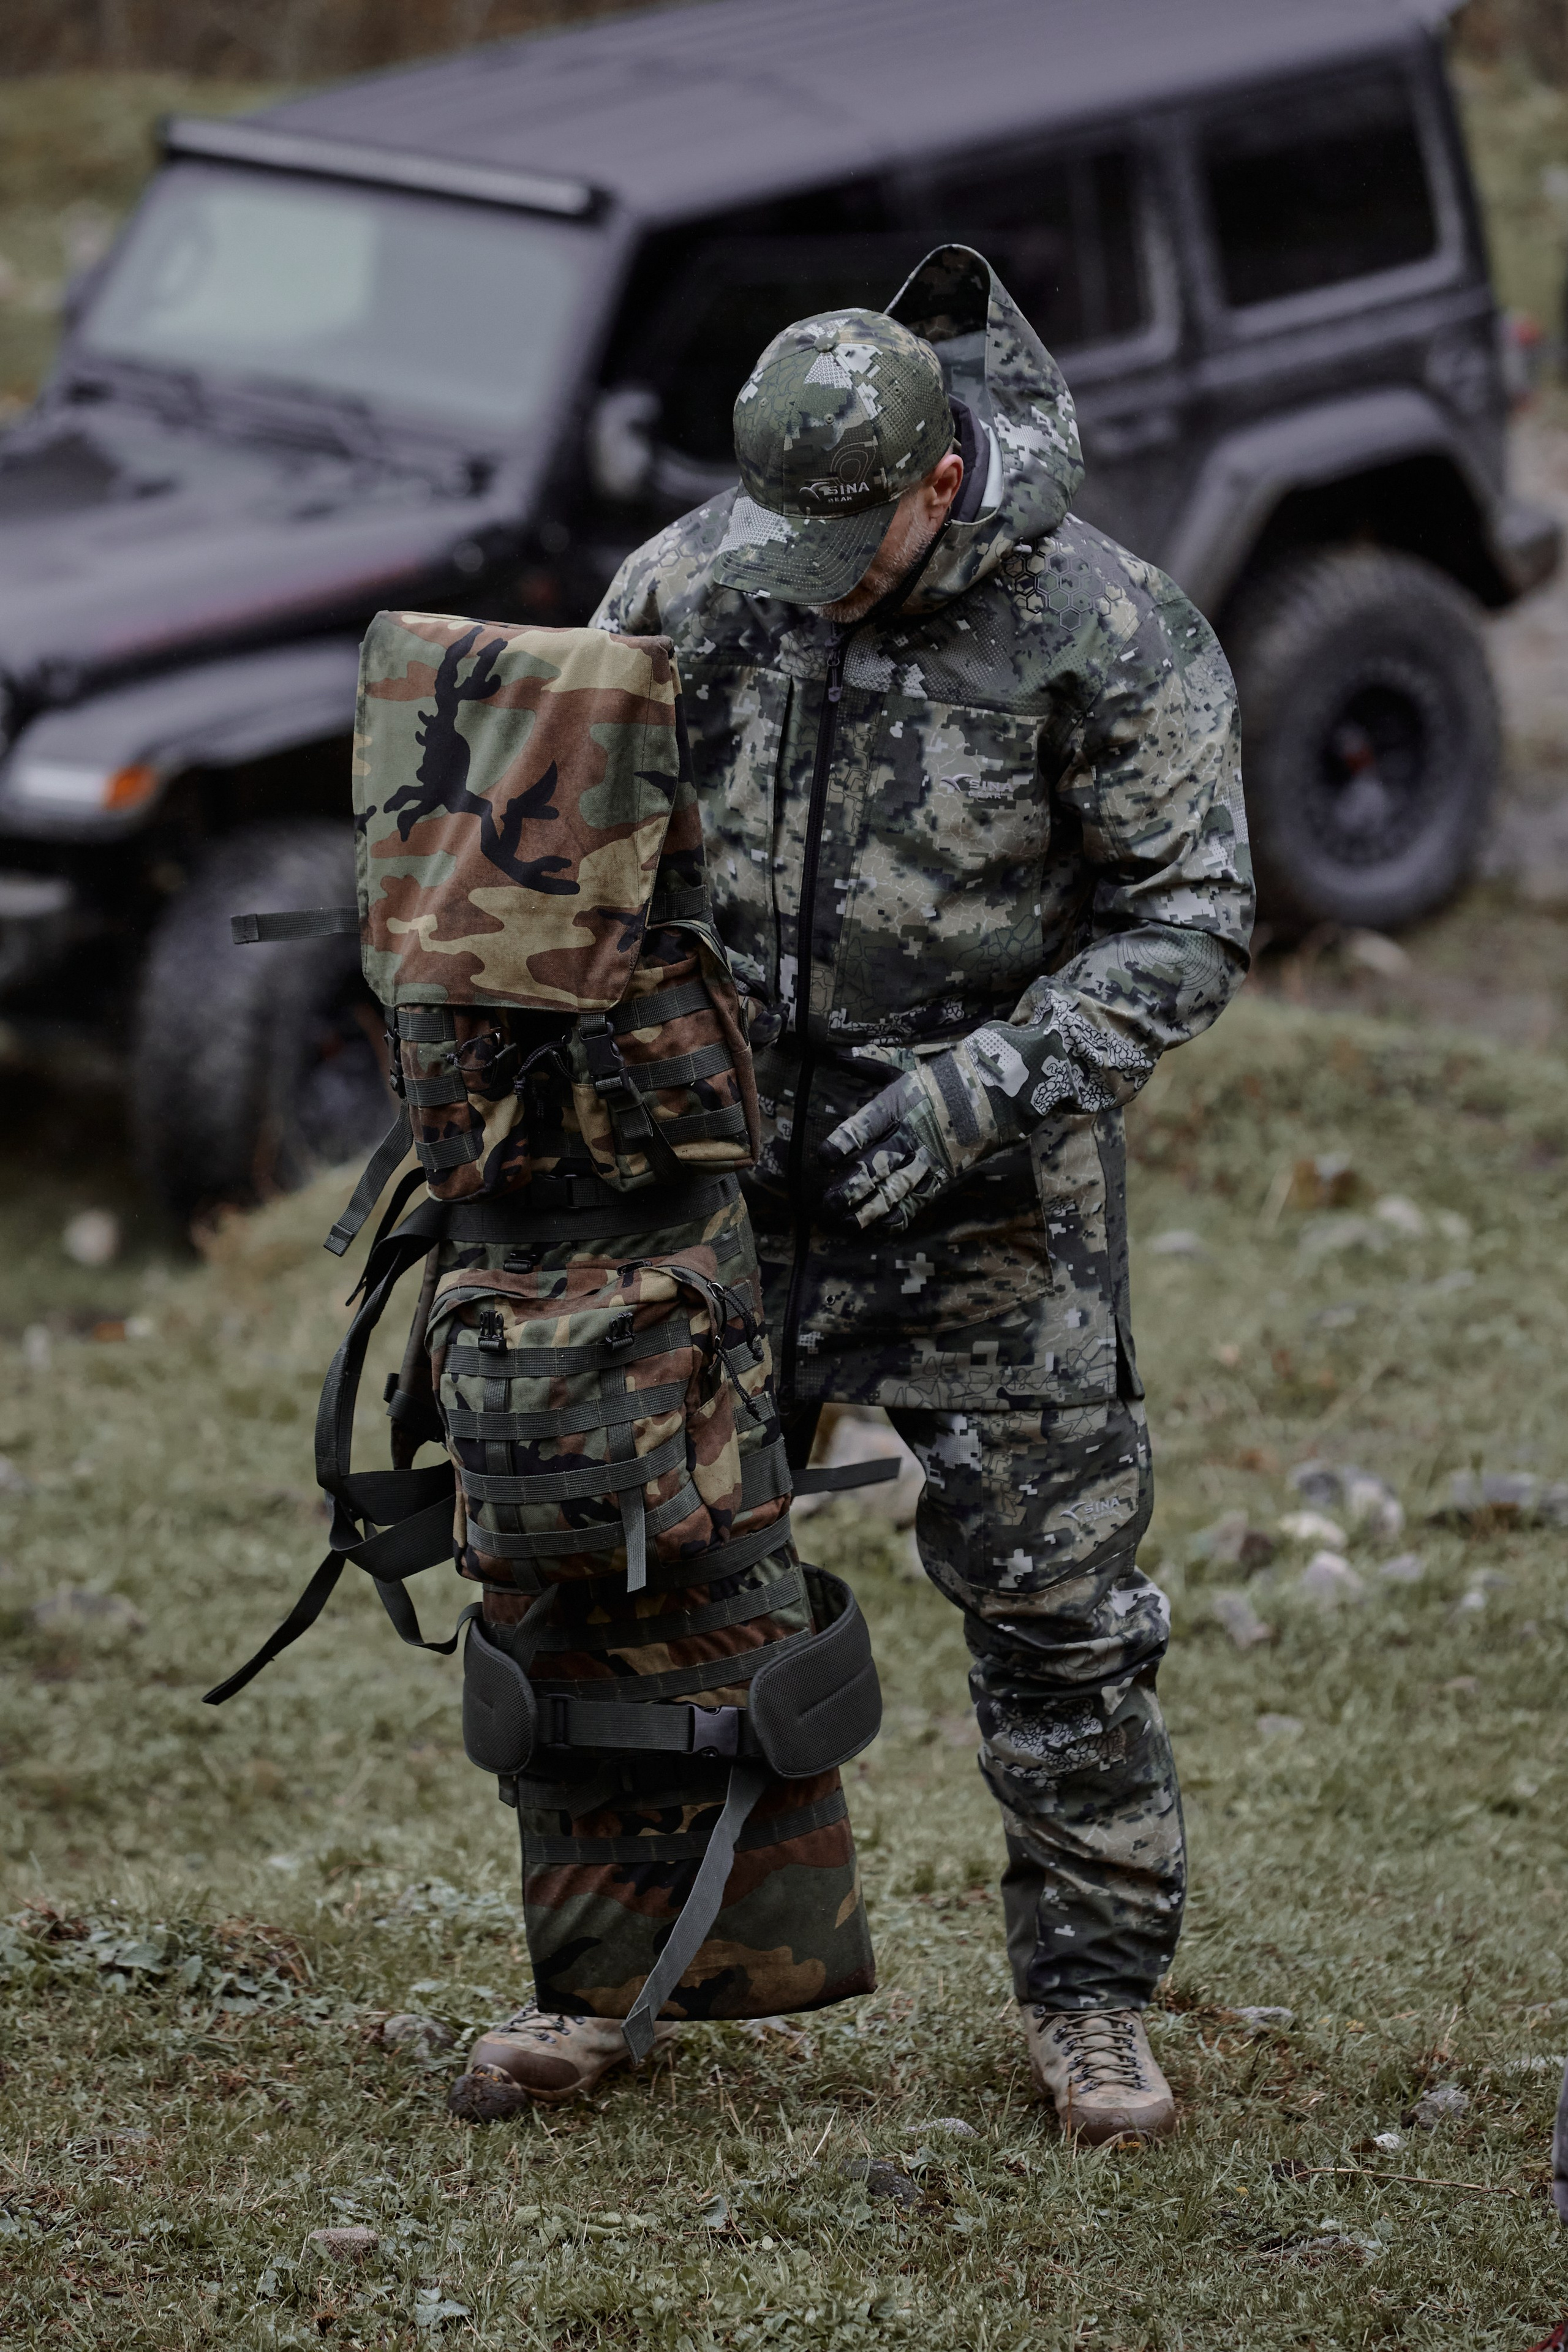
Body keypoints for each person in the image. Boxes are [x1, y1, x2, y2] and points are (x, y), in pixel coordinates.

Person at [461, 243, 1252, 2141]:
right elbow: (565, 848)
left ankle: (1091, 2005)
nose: (810, 578)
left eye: (852, 542)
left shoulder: (1106, 628)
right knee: (626, 1572)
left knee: (1057, 1613)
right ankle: (616, 1984)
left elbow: (1196, 918)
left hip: (987, 1215)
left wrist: (981, 1089)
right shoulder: (692, 575)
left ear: (937, 480)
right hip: (712, 1196)